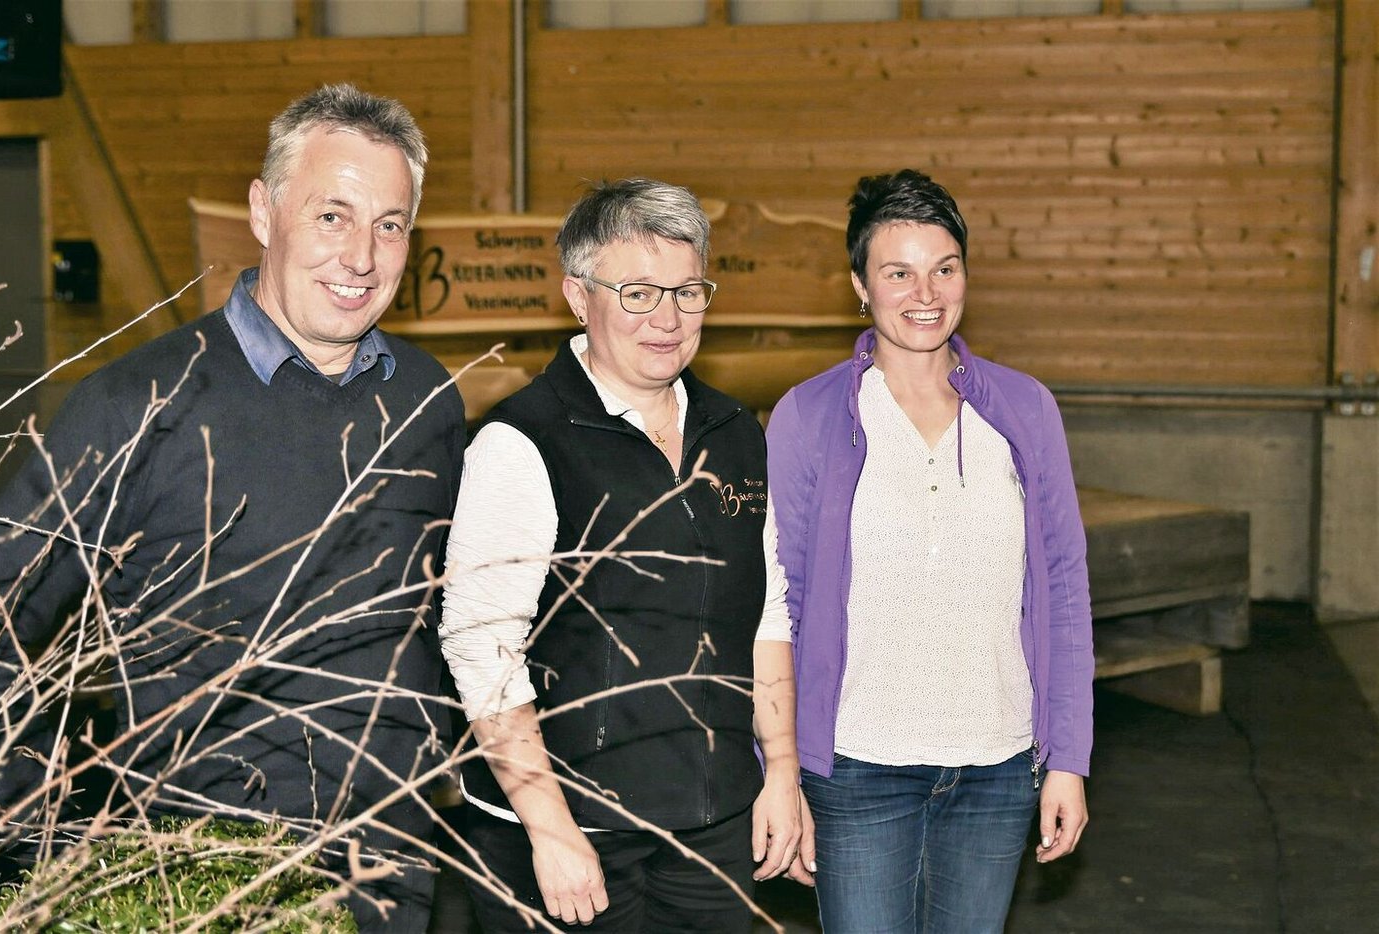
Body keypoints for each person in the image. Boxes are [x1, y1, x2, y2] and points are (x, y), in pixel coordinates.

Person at [0, 83, 465, 931]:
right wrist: (36, 839)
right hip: (207, 879)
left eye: (389, 225)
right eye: (332, 216)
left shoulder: (428, 399)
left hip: (395, 867)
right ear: (263, 212)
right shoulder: (139, 406)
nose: (361, 256)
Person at [438, 178, 813, 932]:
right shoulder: (521, 442)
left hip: (712, 820)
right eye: (638, 293)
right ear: (579, 297)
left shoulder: (734, 432)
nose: (667, 319)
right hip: (567, 827)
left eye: (687, 292)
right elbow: (481, 646)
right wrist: (550, 830)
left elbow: (766, 608)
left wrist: (780, 770)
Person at [765, 169, 1093, 933]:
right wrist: (780, 772)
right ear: (860, 285)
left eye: (945, 269)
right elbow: (778, 604)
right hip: (856, 769)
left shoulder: (1024, 409)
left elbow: (1065, 590)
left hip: (998, 766)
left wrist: (1069, 759)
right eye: (898, 272)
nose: (926, 293)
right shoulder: (809, 416)